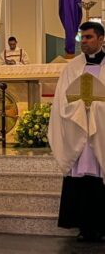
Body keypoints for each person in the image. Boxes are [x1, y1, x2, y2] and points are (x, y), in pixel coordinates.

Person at [48, 21, 105, 242]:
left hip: (101, 132)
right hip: (79, 130)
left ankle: (101, 227)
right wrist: (82, 109)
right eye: (83, 38)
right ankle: (84, 227)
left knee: (99, 180)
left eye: (89, 37)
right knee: (82, 181)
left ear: (101, 39)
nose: (85, 42)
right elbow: (62, 101)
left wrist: (97, 108)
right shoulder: (72, 68)